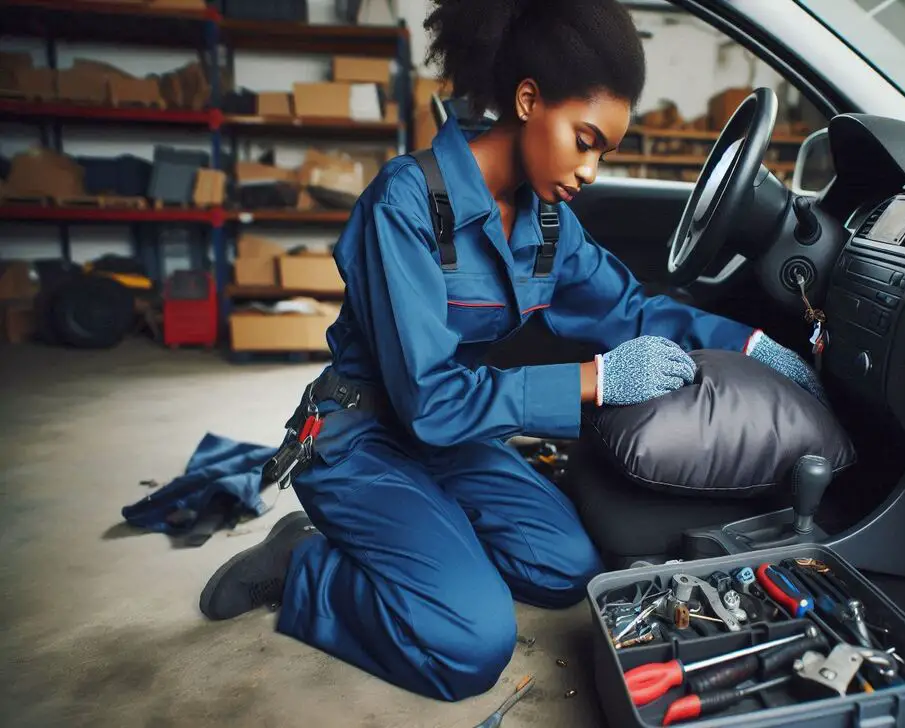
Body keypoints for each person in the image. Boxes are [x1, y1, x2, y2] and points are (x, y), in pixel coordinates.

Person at [198, 0, 826, 702]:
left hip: (454, 436)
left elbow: (630, 311)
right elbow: (429, 401)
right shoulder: (403, 206)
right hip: (366, 437)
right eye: (584, 139)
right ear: (529, 100)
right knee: (468, 643)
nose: (589, 168)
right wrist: (595, 379)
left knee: (566, 572)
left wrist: (753, 345)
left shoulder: (547, 223)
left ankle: (428, 542)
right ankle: (305, 565)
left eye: (603, 152)